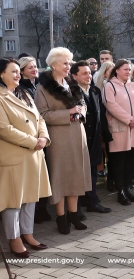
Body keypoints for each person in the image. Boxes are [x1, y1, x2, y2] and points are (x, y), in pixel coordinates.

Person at [35, 47, 91, 235]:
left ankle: (73, 215)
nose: (69, 66)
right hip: (58, 137)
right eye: (65, 63)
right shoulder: (43, 88)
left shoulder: (71, 83)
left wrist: (81, 111)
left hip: (77, 134)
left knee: (75, 174)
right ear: (53, 65)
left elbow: (82, 104)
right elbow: (42, 115)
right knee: (60, 177)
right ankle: (60, 217)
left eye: (69, 62)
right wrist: (68, 112)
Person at [0, 58, 52, 258]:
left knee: (30, 198)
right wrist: (33, 141)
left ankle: (28, 234)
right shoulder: (1, 97)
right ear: (1, 74)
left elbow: (39, 119)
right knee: (13, 201)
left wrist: (44, 136)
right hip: (14, 157)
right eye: (13, 71)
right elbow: (4, 129)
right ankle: (14, 239)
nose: (17, 75)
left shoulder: (24, 94)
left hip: (33, 156)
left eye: (17, 71)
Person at [102, 59, 134, 205]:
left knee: (130, 161)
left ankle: (128, 188)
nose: (128, 72)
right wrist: (129, 119)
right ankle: (120, 190)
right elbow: (111, 105)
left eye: (129, 69)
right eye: (125, 69)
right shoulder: (109, 86)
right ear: (117, 70)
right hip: (119, 129)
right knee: (118, 162)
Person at [70, 61, 112, 214]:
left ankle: (92, 201)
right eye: (84, 73)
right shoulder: (71, 92)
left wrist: (105, 135)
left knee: (93, 170)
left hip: (95, 137)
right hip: (80, 139)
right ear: (74, 76)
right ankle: (79, 203)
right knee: (80, 172)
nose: (89, 76)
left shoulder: (95, 90)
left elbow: (101, 114)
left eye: (89, 73)